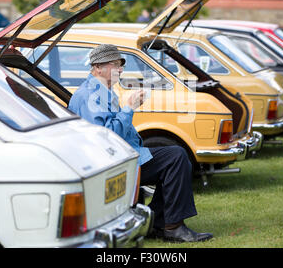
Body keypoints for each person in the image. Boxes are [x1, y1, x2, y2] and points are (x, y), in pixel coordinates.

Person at [68, 44, 213, 243]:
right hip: (113, 164)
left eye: (121, 66)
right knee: (176, 157)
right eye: (115, 65)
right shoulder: (90, 95)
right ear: (97, 67)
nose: (120, 70)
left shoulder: (100, 91)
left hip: (124, 156)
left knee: (177, 157)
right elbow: (106, 138)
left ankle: (158, 222)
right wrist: (129, 108)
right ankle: (171, 226)